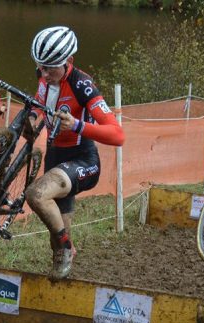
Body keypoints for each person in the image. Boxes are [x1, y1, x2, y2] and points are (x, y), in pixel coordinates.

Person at [24, 26, 125, 279]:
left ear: (69, 61)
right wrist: (34, 115)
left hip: (82, 159)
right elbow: (41, 94)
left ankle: (67, 247)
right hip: (55, 157)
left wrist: (79, 125)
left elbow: (117, 135)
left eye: (50, 68)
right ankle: (63, 265)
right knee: (55, 241)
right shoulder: (45, 74)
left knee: (36, 195)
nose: (44, 74)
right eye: (41, 67)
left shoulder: (83, 84)